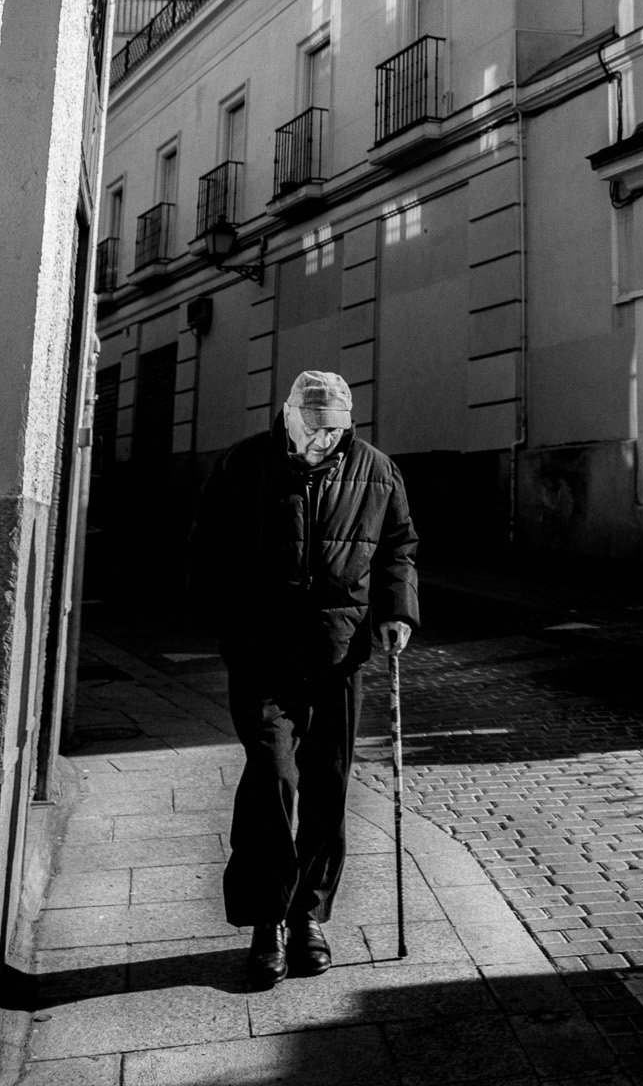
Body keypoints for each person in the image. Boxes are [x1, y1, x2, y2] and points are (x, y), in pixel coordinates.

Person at [190, 369, 418, 987]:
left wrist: (396, 612)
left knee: (327, 785)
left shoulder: (376, 469)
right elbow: (206, 547)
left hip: (338, 655)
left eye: (334, 431)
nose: (322, 442)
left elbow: (398, 546)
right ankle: (268, 920)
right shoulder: (244, 464)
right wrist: (228, 620)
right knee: (272, 776)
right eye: (312, 429)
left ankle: (308, 917)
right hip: (262, 652)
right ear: (287, 414)